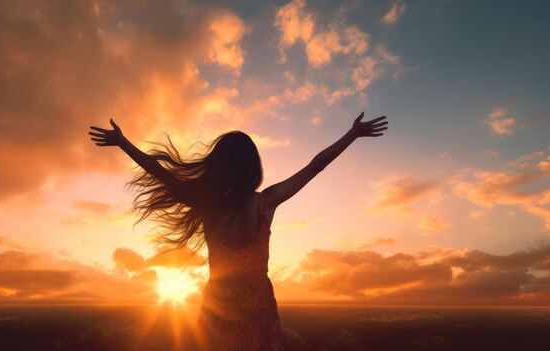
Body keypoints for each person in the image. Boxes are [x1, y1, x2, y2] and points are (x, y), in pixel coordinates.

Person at [88, 112, 387, 350]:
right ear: (253, 167)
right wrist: (352, 134)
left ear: (219, 165)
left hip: (217, 309)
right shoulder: (265, 202)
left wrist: (123, 143)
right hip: (259, 309)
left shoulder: (208, 205)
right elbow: (315, 166)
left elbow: (161, 173)